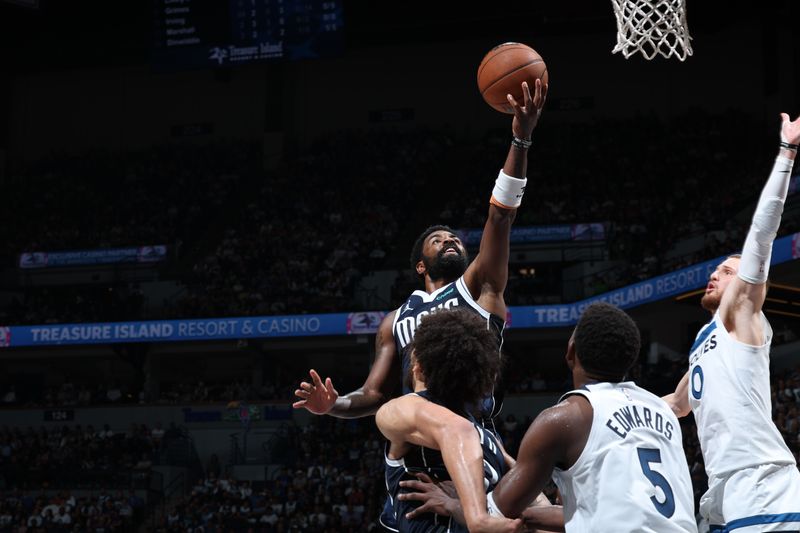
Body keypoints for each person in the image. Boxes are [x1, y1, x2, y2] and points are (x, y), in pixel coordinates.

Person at [293, 78, 547, 531]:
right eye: (437, 238)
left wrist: (520, 138)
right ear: (419, 265)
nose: (450, 239)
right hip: (417, 440)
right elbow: (372, 395)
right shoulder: (394, 322)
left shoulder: (479, 289)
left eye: (454, 237)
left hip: (472, 432)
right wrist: (331, 406)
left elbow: (500, 214)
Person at [400, 302, 697, 533]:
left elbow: (496, 515)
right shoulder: (661, 411)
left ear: (570, 353)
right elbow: (600, 515)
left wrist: (453, 505)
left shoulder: (564, 419)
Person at [662, 114, 800, 532]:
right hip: (722, 488)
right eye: (716, 269)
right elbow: (676, 405)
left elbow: (761, 235)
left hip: (760, 478)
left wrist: (786, 153)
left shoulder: (741, 315)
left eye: (726, 271)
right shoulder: (704, 342)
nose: (715, 274)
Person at [375, 309, 521, 533]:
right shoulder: (491, 441)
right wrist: (461, 507)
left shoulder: (405, 406)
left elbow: (458, 429)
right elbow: (536, 502)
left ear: (418, 366)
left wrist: (474, 515)